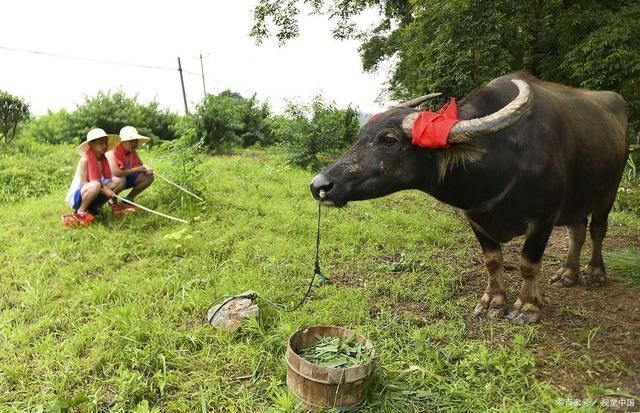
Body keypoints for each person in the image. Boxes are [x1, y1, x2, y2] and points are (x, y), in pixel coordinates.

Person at [64, 128, 124, 225]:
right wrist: (104, 189)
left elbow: (102, 180)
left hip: (94, 189)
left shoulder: (103, 159)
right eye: (101, 143)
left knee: (119, 182)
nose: (104, 146)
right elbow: (84, 182)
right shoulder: (85, 159)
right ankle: (80, 211)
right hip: (81, 194)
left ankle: (95, 207)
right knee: (95, 185)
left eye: (105, 143)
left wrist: (105, 188)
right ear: (91, 144)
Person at [106, 126, 154, 211]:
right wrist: (136, 170)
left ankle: (128, 199)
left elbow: (141, 164)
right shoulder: (113, 151)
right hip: (110, 181)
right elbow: (116, 172)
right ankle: (112, 200)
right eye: (131, 141)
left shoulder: (132, 151)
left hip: (125, 177)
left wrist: (147, 168)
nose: (134, 144)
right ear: (122, 142)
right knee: (121, 180)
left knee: (149, 177)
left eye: (135, 141)